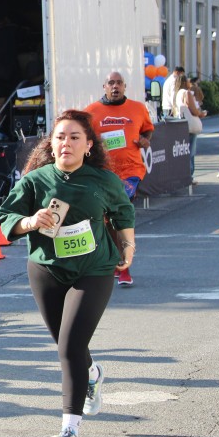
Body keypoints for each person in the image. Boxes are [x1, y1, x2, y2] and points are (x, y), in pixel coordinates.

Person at [0, 109, 135, 437]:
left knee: (70, 346)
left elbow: (122, 211)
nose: (66, 143)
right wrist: (31, 221)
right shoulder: (35, 181)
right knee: (66, 344)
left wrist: (128, 245)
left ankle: (69, 431)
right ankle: (92, 373)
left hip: (94, 269)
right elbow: (6, 217)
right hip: (46, 270)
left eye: (75, 137)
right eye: (60, 137)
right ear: (51, 144)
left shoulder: (103, 180)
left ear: (88, 145)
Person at [83, 71, 152, 287]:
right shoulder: (91, 112)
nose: (115, 87)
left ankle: (123, 266)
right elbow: (82, 140)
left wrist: (144, 140)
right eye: (111, 83)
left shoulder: (138, 108)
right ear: (104, 87)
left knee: (119, 216)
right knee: (106, 221)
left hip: (130, 173)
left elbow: (147, 130)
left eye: (119, 83)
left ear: (125, 86)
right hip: (102, 174)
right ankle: (115, 261)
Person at [172, 74, 207, 183]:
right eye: (188, 81)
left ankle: (183, 176)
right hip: (190, 125)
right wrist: (201, 114)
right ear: (184, 82)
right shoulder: (186, 93)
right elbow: (193, 109)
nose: (189, 83)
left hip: (181, 124)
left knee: (183, 150)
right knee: (190, 151)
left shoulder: (177, 94)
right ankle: (189, 176)